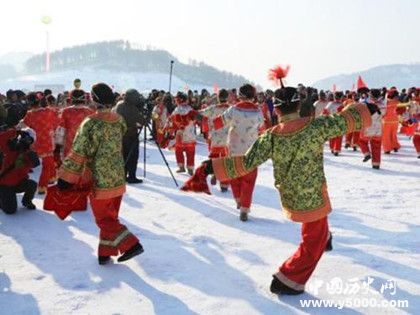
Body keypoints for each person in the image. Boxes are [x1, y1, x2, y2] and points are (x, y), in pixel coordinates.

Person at [192, 85, 374, 295]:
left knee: (316, 230)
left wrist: (212, 166)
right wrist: (367, 107)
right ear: (298, 104)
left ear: (276, 110)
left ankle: (325, 238)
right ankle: (288, 279)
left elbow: (247, 162)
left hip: (290, 194)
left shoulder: (271, 136)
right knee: (312, 240)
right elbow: (345, 121)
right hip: (313, 194)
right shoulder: (316, 126)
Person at [58, 82, 143, 265]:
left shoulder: (90, 123)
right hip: (118, 174)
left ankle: (131, 244)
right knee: (111, 217)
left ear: (94, 100)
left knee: (103, 219)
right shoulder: (118, 119)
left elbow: (79, 152)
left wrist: (66, 178)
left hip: (99, 177)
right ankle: (105, 252)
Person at [210, 84, 264, 221]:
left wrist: (208, 122)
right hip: (251, 151)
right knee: (249, 180)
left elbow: (219, 122)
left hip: (234, 149)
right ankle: (245, 208)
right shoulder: (258, 111)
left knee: (234, 176)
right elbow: (262, 129)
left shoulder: (233, 110)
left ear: (240, 95)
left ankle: (239, 201)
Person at [0, 107, 39, 214]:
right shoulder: (10, 147)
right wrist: (15, 131)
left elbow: (35, 163)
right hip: (5, 184)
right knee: (10, 211)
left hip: (19, 182)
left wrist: (27, 150)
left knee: (32, 184)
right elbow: (1, 138)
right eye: (24, 137)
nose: (25, 141)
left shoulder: (29, 152)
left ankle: (26, 201)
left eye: (29, 139)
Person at [21, 92, 60, 194]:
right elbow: (57, 122)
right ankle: (42, 186)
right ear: (39, 101)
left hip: (37, 142)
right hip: (48, 141)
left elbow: (22, 126)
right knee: (47, 164)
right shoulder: (48, 111)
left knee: (49, 161)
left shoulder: (29, 115)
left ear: (29, 104)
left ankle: (52, 178)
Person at [199, 89, 231, 192]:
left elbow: (200, 114)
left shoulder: (213, 109)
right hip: (228, 140)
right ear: (228, 98)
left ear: (218, 98)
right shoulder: (232, 109)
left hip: (215, 138)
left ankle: (214, 173)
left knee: (215, 159)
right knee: (226, 161)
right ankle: (224, 184)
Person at [113, 89, 146, 184]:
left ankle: (122, 175)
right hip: (131, 135)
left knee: (123, 155)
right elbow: (143, 121)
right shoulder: (132, 108)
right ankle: (132, 176)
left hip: (121, 134)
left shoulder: (119, 104)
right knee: (133, 156)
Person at [167, 92, 197, 175]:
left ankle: (181, 167)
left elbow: (172, 120)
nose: (175, 101)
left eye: (176, 99)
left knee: (179, 150)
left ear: (180, 100)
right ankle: (190, 168)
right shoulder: (190, 108)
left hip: (180, 132)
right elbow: (195, 119)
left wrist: (170, 129)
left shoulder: (177, 109)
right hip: (190, 132)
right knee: (190, 151)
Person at [60, 89, 94, 157]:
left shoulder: (65, 112)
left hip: (70, 146)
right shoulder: (90, 112)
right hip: (85, 147)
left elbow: (61, 133)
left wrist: (61, 149)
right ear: (84, 99)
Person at [358, 89, 385, 169]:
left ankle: (366, 153)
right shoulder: (383, 105)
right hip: (378, 128)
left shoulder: (364, 104)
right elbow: (384, 115)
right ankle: (376, 164)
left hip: (367, 127)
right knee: (376, 145)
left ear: (370, 95)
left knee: (361, 141)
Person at [324, 91, 345, 155]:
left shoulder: (330, 104)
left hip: (331, 121)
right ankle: (337, 150)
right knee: (339, 136)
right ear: (341, 97)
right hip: (340, 122)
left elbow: (325, 112)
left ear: (334, 97)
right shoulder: (343, 105)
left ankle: (332, 148)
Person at [382, 89, 401, 154]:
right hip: (395, 120)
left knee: (386, 136)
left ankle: (387, 149)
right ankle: (395, 147)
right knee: (393, 134)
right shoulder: (397, 102)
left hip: (387, 121)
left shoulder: (386, 102)